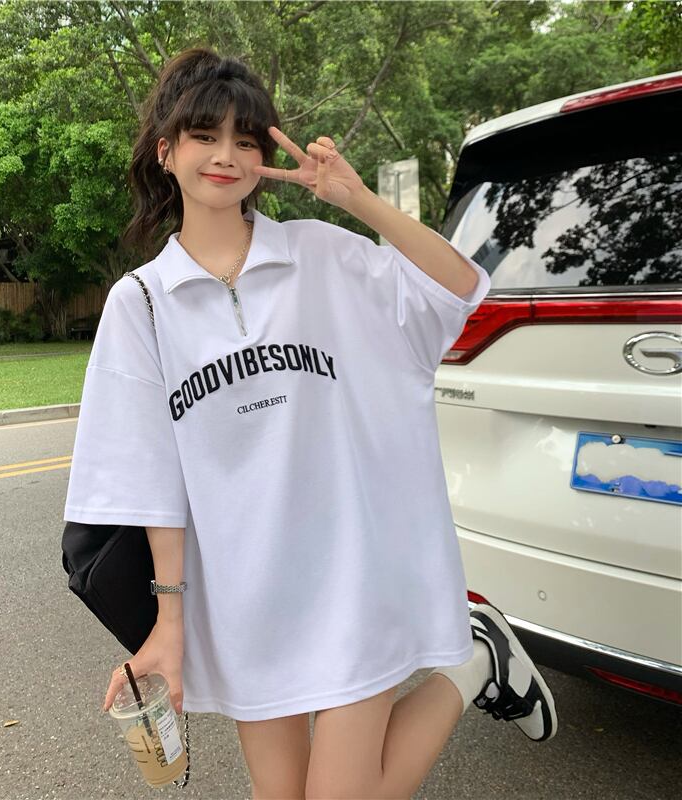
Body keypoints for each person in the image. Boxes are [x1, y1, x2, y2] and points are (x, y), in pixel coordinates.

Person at [63, 46, 557, 800]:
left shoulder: (322, 257)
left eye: (245, 139)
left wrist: (357, 199)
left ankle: (471, 664)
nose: (226, 156)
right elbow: (148, 474)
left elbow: (459, 288)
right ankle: (482, 651)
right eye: (204, 136)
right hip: (246, 600)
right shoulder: (144, 303)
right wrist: (168, 621)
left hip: (352, 578)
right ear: (166, 152)